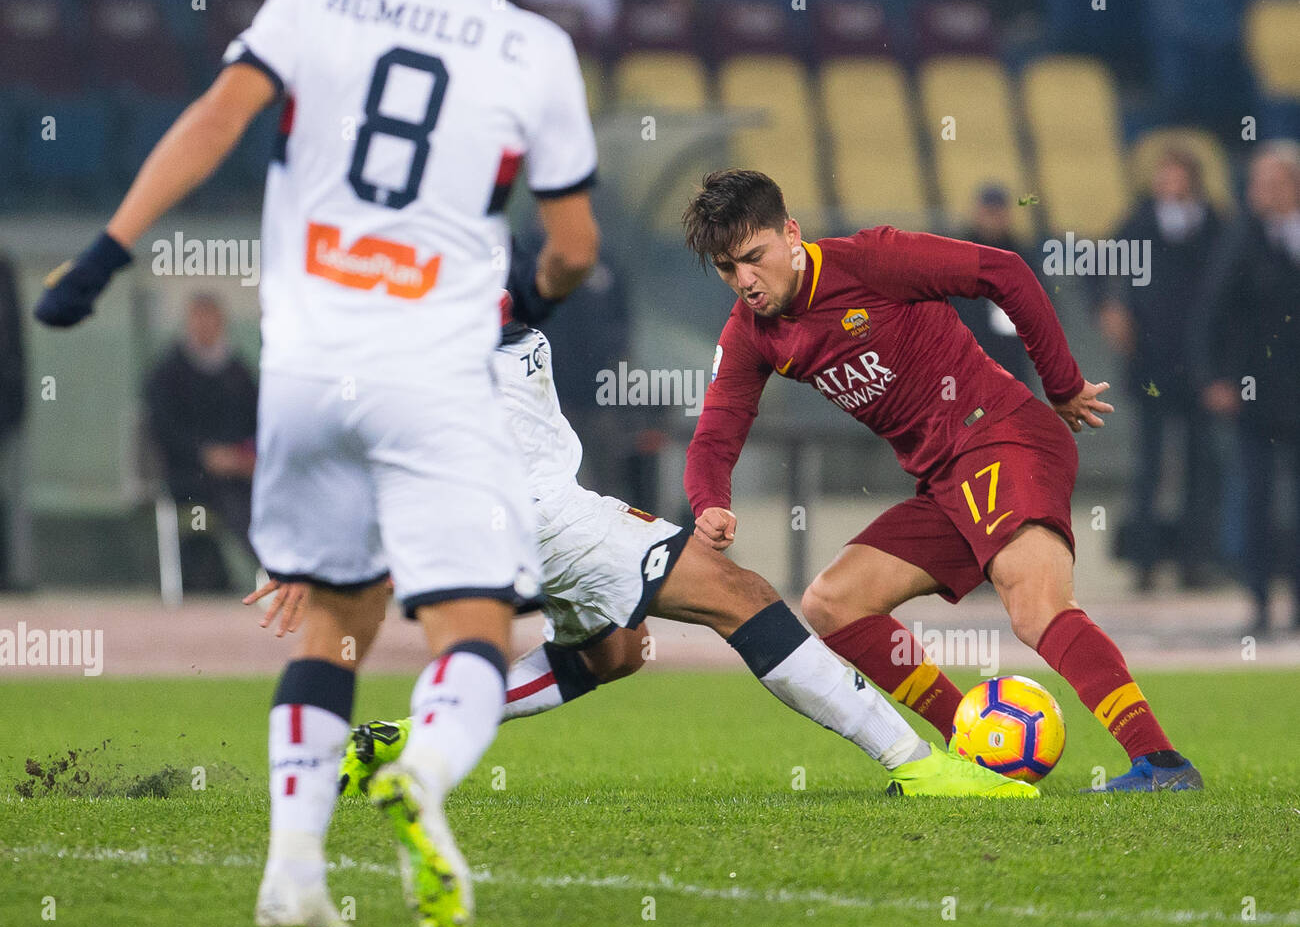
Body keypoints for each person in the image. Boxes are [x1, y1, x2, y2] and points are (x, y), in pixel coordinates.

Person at [33, 0, 601, 927]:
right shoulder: (533, 47)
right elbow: (574, 244)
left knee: (332, 624)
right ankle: (425, 774)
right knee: (474, 628)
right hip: (435, 364)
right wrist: (531, 294)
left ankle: (292, 873)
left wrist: (104, 256)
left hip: (304, 369)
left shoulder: (312, 1)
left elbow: (211, 123)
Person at [250, 270, 1036, 802]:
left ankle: (399, 740)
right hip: (546, 515)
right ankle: (922, 767)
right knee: (743, 597)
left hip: (518, 523)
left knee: (615, 654)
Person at [683, 169, 1203, 793]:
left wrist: (1061, 384)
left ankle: (1161, 764)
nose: (743, 281)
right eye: (725, 268)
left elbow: (1005, 272)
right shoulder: (751, 334)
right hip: (944, 483)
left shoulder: (871, 259)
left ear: (790, 234)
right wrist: (709, 501)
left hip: (1004, 437)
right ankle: (971, 745)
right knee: (833, 603)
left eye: (752, 257)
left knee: (1035, 606)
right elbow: (718, 428)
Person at [1099, 146, 1227, 590]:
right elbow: (1096, 267)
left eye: (1174, 175)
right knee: (1150, 463)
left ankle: (1195, 561)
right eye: (1161, 175)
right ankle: (1145, 560)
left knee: (1199, 463)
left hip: (1199, 363)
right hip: (1150, 361)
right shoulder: (1139, 221)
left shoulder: (1213, 224)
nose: (1166, 184)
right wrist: (1109, 306)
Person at [1199, 141, 1300, 635]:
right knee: (1255, 497)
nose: (1259, 192)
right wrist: (1216, 378)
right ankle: (1260, 600)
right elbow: (1213, 312)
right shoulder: (1242, 239)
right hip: (1256, 393)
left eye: (1270, 182)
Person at [144, 293, 258, 590]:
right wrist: (205, 456)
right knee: (232, 499)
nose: (205, 327)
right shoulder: (167, 373)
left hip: (240, 473)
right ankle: (276, 573)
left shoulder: (238, 373)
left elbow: (257, 424)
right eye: (199, 319)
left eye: (212, 319)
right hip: (188, 476)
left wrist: (244, 458)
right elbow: (163, 431)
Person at [949, 184, 1036, 389]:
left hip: (1010, 360)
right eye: (988, 212)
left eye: (998, 212)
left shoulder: (1021, 259)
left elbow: (1041, 309)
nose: (993, 218)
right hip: (964, 358)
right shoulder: (956, 254)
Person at [0, 250, 31, 591]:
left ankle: (10, 572)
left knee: (10, 493)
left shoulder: (4, 271)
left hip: (5, 408)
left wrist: (17, 405)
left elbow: (14, 347)